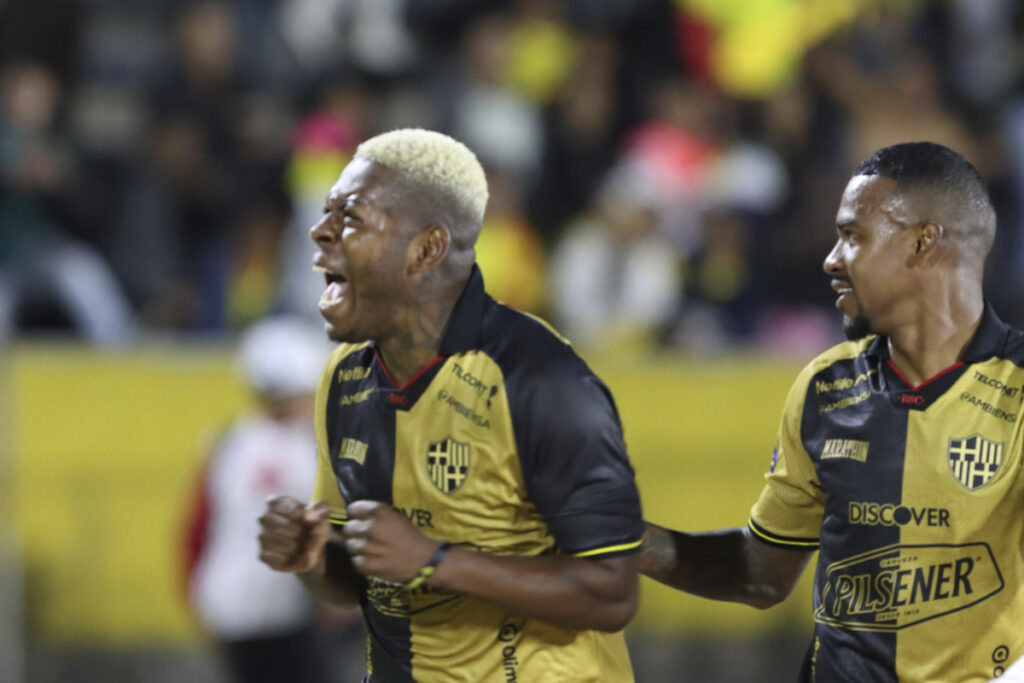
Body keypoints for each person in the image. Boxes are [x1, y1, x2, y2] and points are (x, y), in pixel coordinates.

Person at [256, 128, 645, 682]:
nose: (320, 232)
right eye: (326, 213)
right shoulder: (345, 379)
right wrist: (312, 557)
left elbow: (610, 591)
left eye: (351, 218)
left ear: (425, 249)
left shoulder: (540, 378)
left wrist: (435, 561)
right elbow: (362, 577)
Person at [638, 142, 1024, 682]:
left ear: (923, 242)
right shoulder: (827, 387)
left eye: (852, 237)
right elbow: (761, 572)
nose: (831, 259)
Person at [184, 316, 340, 683]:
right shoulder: (310, 448)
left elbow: (197, 531)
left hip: (229, 609)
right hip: (286, 612)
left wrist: (198, 602)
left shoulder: (228, 442)